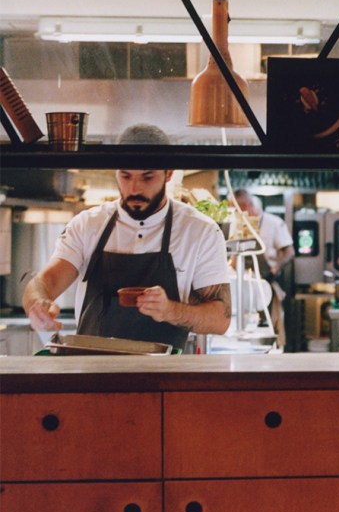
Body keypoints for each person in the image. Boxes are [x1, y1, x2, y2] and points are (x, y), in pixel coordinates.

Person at [23, 123, 231, 349]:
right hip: (92, 373)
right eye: (125, 175)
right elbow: (46, 282)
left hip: (163, 376)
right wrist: (38, 305)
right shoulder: (87, 225)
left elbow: (221, 319)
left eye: (147, 177)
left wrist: (170, 310)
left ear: (169, 173)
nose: (134, 188)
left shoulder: (201, 232)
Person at [233, 189, 295, 346]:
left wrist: (276, 268)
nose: (235, 212)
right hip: (244, 286)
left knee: (270, 327)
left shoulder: (273, 223)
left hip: (267, 282)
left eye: (236, 208)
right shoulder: (238, 225)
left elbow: (289, 251)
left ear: (247, 205)